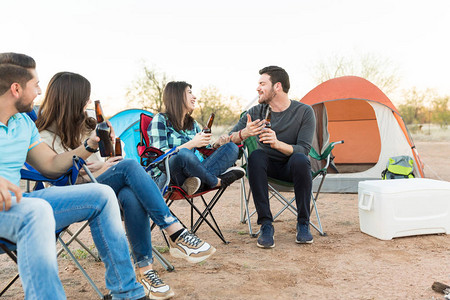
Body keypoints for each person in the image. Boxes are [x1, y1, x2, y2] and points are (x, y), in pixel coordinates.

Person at [36, 72, 216, 300]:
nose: (88, 103)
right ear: (71, 99)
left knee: (131, 195)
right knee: (129, 166)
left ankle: (146, 272)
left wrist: (101, 161)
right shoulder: (43, 136)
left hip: (99, 187)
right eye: (85, 98)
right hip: (71, 196)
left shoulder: (89, 127)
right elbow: (57, 176)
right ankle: (174, 232)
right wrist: (95, 167)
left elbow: (97, 166)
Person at [0, 52, 148, 300]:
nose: (39, 91)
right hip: (21, 211)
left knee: (102, 194)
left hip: (16, 206)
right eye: (35, 84)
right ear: (16, 88)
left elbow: (50, 165)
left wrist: (89, 146)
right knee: (37, 210)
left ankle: (127, 292)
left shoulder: (23, 125)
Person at [228, 66, 316, 248]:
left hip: (293, 170)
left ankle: (303, 224)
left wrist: (277, 143)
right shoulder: (256, 112)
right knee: (256, 156)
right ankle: (266, 225)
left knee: (301, 159)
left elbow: (304, 149)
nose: (257, 88)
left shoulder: (304, 112)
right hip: (266, 171)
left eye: (262, 84)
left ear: (277, 86)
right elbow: (228, 137)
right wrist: (244, 132)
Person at [147, 81, 245, 194]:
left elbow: (204, 151)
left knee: (231, 148)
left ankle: (195, 183)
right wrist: (192, 143)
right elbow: (161, 155)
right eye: (189, 92)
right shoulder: (160, 119)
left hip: (194, 174)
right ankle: (216, 181)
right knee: (183, 153)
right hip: (169, 176)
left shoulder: (192, 124)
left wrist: (217, 144)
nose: (194, 97)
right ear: (177, 96)